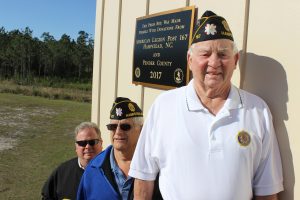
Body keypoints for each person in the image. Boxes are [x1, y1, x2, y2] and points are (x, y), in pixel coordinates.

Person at [129, 10, 284, 200]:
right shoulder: (163, 106)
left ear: (235, 61)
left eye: (223, 54)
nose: (214, 62)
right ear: (190, 60)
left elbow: (267, 190)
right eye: (205, 53)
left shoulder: (257, 111)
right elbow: (143, 178)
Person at [77, 97, 161, 200]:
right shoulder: (93, 169)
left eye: (125, 127)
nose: (117, 132)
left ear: (141, 129)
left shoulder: (158, 168)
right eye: (112, 127)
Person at [41, 122, 103, 200]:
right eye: (82, 143)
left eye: (92, 142)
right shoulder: (62, 172)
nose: (87, 146)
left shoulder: (113, 172)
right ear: (76, 147)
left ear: (101, 143)